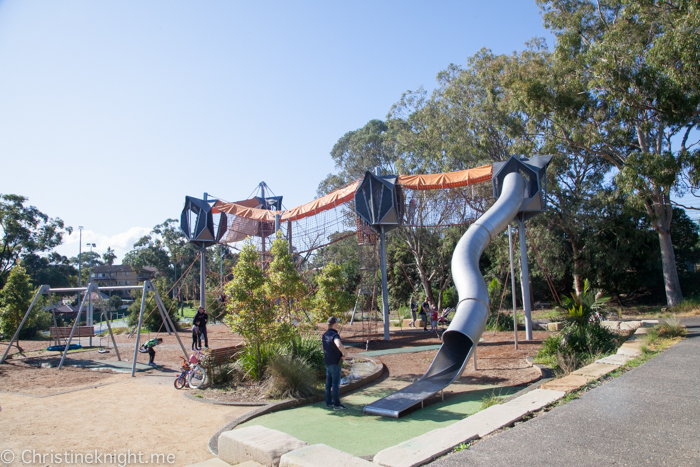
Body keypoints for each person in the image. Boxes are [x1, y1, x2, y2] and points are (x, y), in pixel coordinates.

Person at [322, 316, 347, 410]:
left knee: (328, 383)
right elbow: (339, 345)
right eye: (337, 322)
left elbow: (323, 348)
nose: (338, 324)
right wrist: (345, 353)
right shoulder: (334, 335)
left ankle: (329, 403)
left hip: (328, 361)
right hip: (335, 362)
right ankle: (336, 404)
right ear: (334, 323)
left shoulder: (325, 335)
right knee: (335, 384)